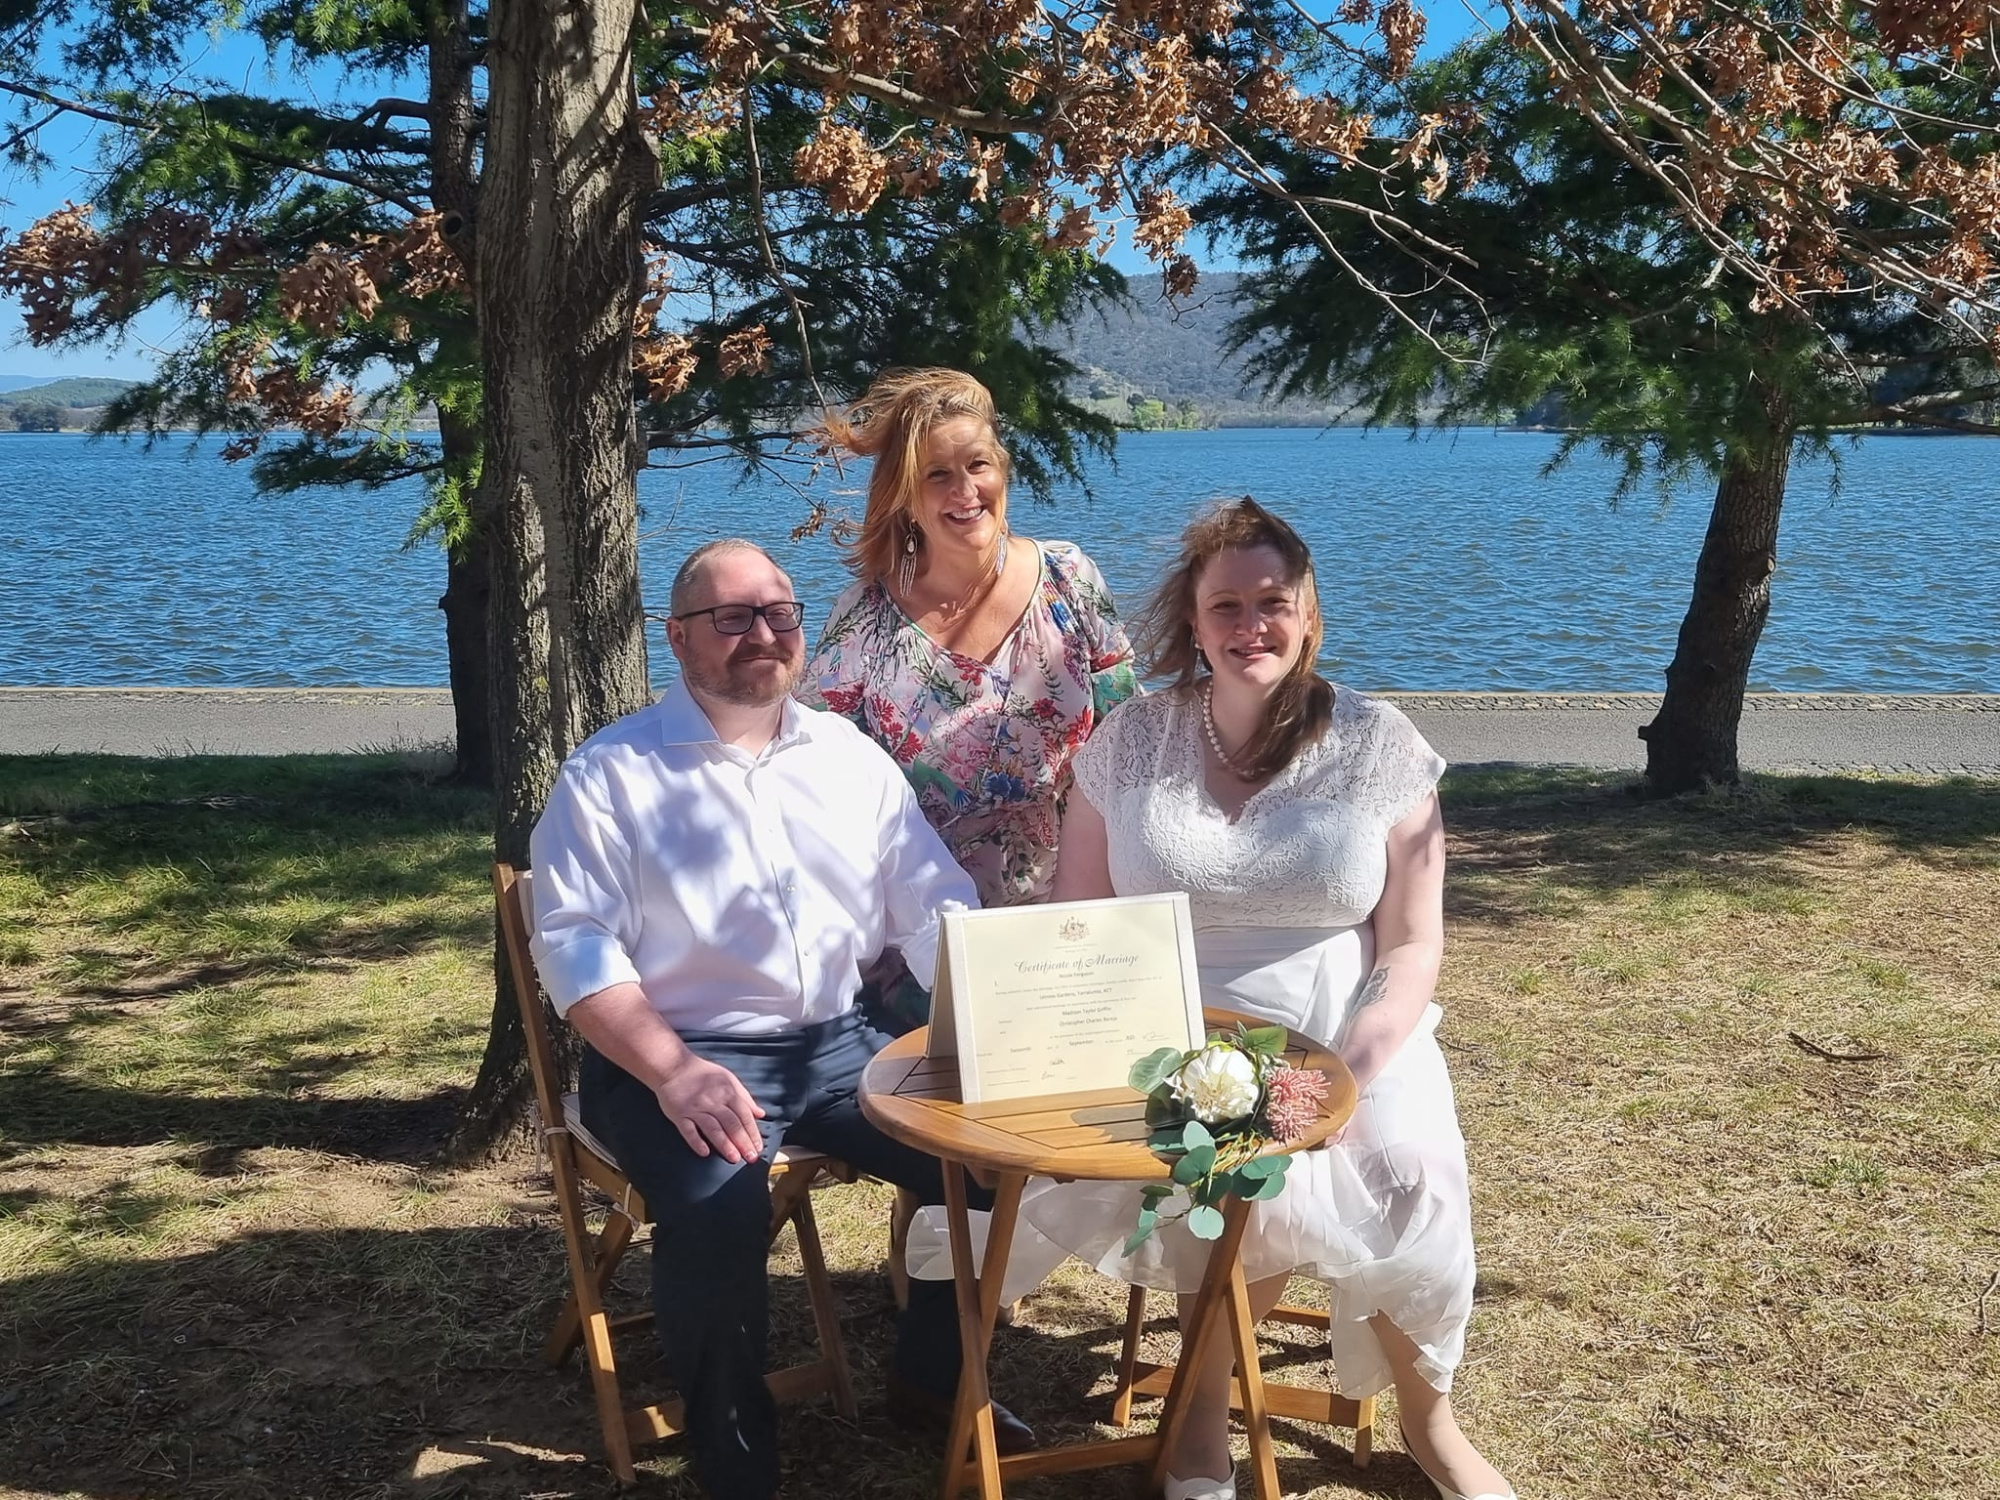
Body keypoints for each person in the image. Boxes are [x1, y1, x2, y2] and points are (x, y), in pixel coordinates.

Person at [1017, 500, 1514, 1500]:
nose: (1251, 627)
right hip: (1169, 1033)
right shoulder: (1128, 740)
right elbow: (1079, 924)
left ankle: (1430, 1425)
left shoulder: (1378, 742)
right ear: (1192, 621)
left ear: (1308, 610)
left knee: (1407, 1169)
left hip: (1349, 1025)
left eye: (1271, 603)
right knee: (1230, 1177)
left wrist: (1348, 1075)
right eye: (1225, 606)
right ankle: (1198, 1430)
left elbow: (1411, 945)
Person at [528, 539, 1036, 1500]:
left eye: (780, 615)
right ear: (678, 639)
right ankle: (736, 1459)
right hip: (674, 1055)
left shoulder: (850, 758)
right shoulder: (610, 774)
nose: (762, 634)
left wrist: (999, 1013)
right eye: (732, 618)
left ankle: (930, 1380)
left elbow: (932, 905)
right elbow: (576, 948)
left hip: (840, 1049)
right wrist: (675, 1070)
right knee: (724, 1203)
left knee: (985, 1164)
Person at [800, 368, 1137, 1028]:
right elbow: (813, 778)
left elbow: (1132, 741)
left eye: (977, 465)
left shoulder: (1068, 578)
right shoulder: (866, 617)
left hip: (1074, 926)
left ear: (1002, 469)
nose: (965, 492)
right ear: (904, 497)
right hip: (925, 949)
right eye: (936, 476)